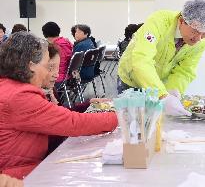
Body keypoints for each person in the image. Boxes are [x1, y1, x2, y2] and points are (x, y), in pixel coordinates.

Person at [0, 32, 118, 179]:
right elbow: (73, 123)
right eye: (47, 66)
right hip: (21, 176)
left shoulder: (8, 88)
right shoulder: (19, 96)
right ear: (31, 66)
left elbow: (55, 117)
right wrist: (119, 117)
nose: (48, 73)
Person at [118, 0, 205, 116]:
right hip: (131, 79)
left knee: (157, 121)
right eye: (195, 31)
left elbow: (185, 70)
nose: (199, 38)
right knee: (132, 121)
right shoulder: (159, 21)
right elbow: (142, 59)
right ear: (181, 21)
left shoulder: (202, 41)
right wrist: (162, 95)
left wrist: (172, 91)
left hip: (158, 81)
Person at [42, 21, 73, 86]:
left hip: (57, 79)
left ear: (45, 34)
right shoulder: (66, 42)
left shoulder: (53, 47)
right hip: (67, 77)